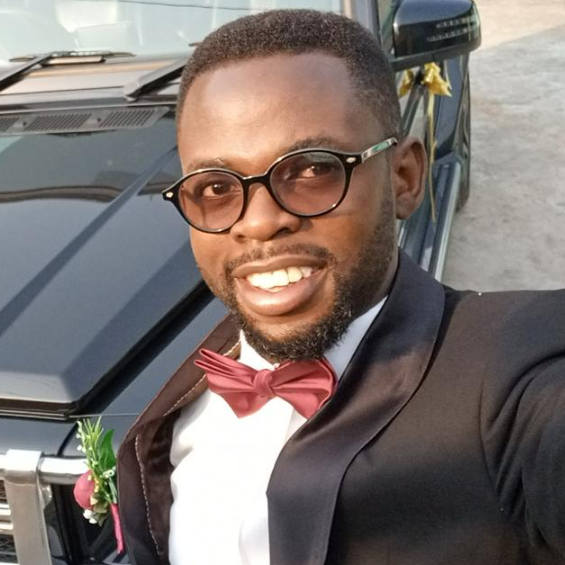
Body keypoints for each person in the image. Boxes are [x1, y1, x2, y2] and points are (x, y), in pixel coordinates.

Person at [116, 9, 565, 565]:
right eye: (215, 187)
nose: (259, 222)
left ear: (404, 178)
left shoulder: (511, 374)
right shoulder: (184, 397)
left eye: (312, 170)